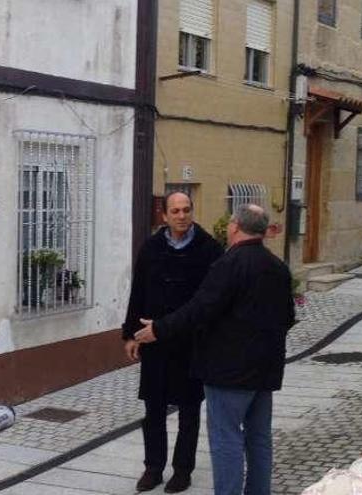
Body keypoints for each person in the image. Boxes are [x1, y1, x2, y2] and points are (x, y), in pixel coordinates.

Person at [134, 204, 295, 495]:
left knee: (226, 439)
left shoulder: (228, 264)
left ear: (234, 226)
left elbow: (199, 309)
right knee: (259, 437)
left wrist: (158, 329)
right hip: (265, 370)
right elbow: (288, 318)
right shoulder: (278, 267)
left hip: (229, 372)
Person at [122, 191, 224, 493]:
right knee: (153, 409)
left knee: (189, 410)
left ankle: (183, 470)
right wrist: (130, 333)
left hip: (190, 342)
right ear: (164, 215)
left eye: (186, 209)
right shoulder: (151, 248)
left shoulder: (209, 250)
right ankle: (153, 468)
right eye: (175, 211)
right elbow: (137, 291)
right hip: (153, 341)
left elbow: (213, 300)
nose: (181, 215)